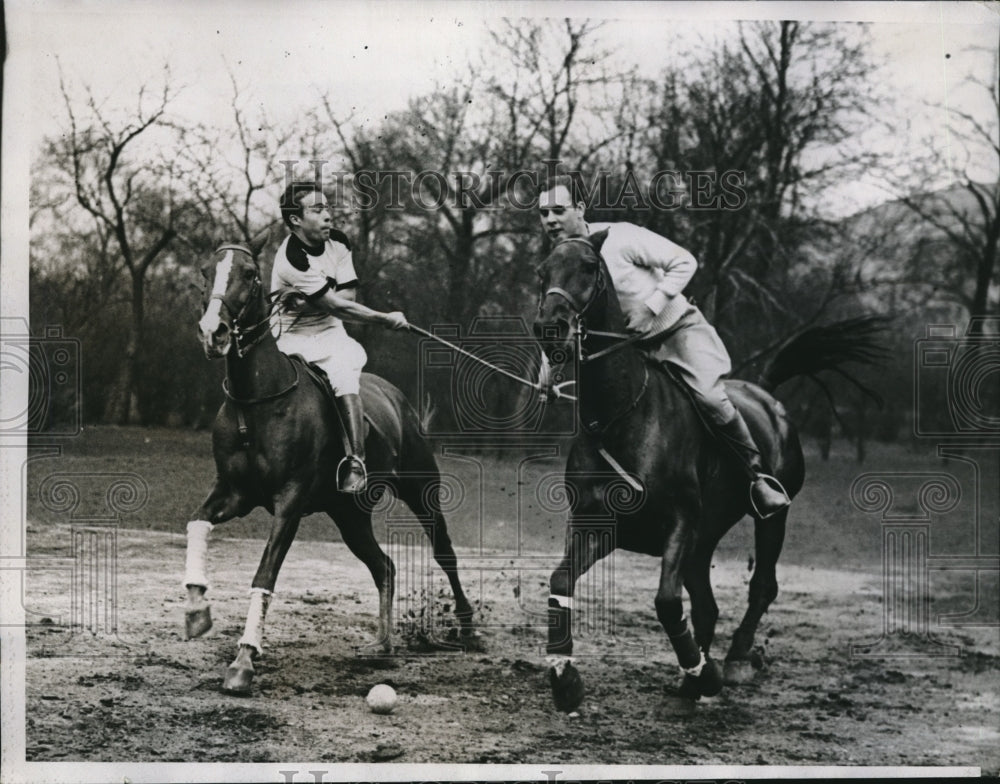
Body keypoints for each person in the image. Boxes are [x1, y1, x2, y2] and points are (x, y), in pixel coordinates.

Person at [537, 175, 790, 518]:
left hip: (677, 332)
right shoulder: (561, 261)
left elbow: (685, 261)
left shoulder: (621, 236)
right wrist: (548, 373)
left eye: (558, 209)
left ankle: (757, 477)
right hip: (628, 351)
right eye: (543, 213)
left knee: (711, 398)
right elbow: (559, 321)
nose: (550, 219)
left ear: (580, 208)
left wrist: (651, 306)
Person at [271, 181, 408, 494]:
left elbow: (347, 295)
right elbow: (338, 304)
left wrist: (314, 301)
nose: (328, 216)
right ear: (296, 220)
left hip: (330, 331)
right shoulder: (291, 257)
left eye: (327, 208)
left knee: (343, 372)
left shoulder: (339, 243)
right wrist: (385, 319)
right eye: (317, 210)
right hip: (292, 335)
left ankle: (356, 460)